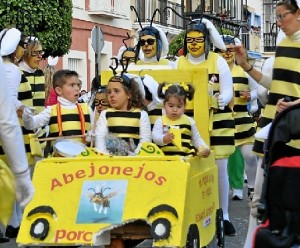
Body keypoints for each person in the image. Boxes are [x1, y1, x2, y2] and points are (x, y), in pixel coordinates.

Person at [233, 1, 300, 247]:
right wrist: (246, 65)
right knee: (260, 201)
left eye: (283, 17)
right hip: (273, 130)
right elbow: (276, 85)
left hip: (295, 131)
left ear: (299, 13)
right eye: (277, 18)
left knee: (289, 201)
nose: (279, 23)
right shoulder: (282, 45)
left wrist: (296, 105)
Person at [174, 18, 236, 236]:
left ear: (206, 41)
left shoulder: (217, 60)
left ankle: (224, 214)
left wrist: (222, 98)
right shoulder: (178, 63)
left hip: (216, 120)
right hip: (187, 121)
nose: (194, 44)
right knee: (188, 168)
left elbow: (228, 88)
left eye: (198, 39)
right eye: (190, 40)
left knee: (219, 169)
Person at [215, 35, 258, 201]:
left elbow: (257, 90)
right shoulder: (215, 70)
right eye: (224, 50)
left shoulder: (244, 69)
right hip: (221, 121)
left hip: (242, 119)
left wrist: (250, 96)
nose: (227, 53)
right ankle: (233, 188)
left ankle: (252, 187)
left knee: (249, 155)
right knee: (223, 159)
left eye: (230, 50)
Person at [0, 27, 30, 240]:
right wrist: (24, 110)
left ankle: (14, 223)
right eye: (22, 46)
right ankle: (13, 223)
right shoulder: (10, 70)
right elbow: (6, 107)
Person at [22, 69, 94, 148]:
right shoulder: (51, 111)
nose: (77, 88)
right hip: (59, 159)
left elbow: (95, 132)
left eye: (78, 84)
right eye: (72, 85)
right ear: (59, 90)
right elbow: (31, 125)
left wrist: (92, 136)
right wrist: (27, 115)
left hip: (83, 158)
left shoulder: (87, 109)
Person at [95, 72, 151, 156]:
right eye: (109, 92)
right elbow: (100, 138)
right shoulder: (105, 114)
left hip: (135, 162)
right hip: (109, 162)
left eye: (116, 91)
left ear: (129, 94)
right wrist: (107, 156)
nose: (111, 95)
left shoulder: (141, 114)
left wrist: (134, 157)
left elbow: (145, 139)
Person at [152, 83, 210, 157]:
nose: (175, 110)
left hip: (186, 158)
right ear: (164, 105)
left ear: (184, 106)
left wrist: (204, 148)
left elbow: (196, 139)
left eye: (179, 106)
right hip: (166, 159)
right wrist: (163, 139)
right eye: (171, 106)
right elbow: (155, 136)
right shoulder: (161, 121)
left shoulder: (189, 121)